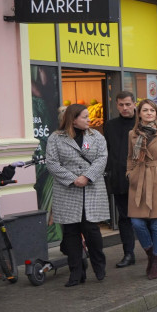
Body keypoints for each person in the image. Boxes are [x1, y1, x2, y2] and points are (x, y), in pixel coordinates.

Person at [45, 103, 110, 287]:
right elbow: (52, 163)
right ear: (73, 119)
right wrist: (73, 179)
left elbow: (102, 158)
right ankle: (76, 272)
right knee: (71, 233)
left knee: (91, 230)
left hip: (91, 188)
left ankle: (99, 266)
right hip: (67, 190)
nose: (89, 119)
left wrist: (86, 177)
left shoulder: (96, 136)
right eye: (84, 117)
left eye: (89, 116)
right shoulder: (56, 138)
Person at [127, 100, 157, 280]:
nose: (149, 113)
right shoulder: (132, 134)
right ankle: (150, 253)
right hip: (139, 179)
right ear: (139, 113)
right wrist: (129, 173)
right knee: (137, 223)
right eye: (145, 110)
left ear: (156, 114)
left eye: (152, 110)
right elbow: (130, 157)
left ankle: (156, 260)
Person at [103, 91, 137, 268]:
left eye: (128, 104)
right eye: (121, 105)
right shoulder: (110, 126)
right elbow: (106, 151)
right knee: (124, 218)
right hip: (119, 179)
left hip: (141, 179)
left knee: (145, 218)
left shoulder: (143, 124)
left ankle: (153, 251)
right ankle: (128, 253)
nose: (125, 108)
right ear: (116, 105)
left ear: (134, 104)